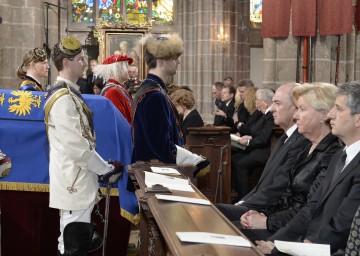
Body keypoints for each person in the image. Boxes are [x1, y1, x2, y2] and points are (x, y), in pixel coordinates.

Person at [256, 81, 360, 255]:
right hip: (307, 241)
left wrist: (288, 249)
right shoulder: (339, 156)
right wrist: (276, 242)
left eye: (339, 109)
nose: (331, 115)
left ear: (358, 119)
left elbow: (342, 226)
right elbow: (311, 207)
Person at [43, 36, 123, 256]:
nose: (84, 63)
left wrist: (102, 166)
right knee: (73, 247)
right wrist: (105, 169)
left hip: (77, 179)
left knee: (74, 244)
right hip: (74, 181)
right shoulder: (62, 99)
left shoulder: (70, 95)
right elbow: (77, 148)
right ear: (67, 63)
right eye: (80, 59)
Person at [239, 83, 341, 241]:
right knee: (230, 228)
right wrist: (264, 214)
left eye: (302, 109)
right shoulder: (305, 147)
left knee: (234, 234)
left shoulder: (332, 153)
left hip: (297, 233)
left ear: (324, 115)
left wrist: (268, 222)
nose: (296, 116)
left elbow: (310, 208)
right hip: (282, 222)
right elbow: (286, 194)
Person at [217, 83, 309, 222]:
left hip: (270, 213)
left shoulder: (301, 141)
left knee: (215, 214)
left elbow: (279, 186)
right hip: (259, 206)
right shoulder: (285, 138)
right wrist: (242, 203)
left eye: (277, 103)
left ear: (295, 109)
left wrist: (250, 210)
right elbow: (263, 184)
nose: (271, 109)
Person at [132, 33, 210, 178]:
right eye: (175, 58)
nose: (178, 62)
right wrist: (193, 160)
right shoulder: (154, 95)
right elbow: (160, 145)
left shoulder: (153, 89)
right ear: (161, 61)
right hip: (157, 174)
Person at [231, 88, 275, 198]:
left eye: (257, 100)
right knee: (234, 159)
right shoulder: (264, 114)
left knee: (241, 164)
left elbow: (263, 139)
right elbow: (256, 131)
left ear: (265, 102)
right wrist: (248, 136)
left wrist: (249, 140)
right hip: (257, 148)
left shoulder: (270, 115)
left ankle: (244, 197)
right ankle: (238, 192)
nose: (255, 103)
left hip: (264, 150)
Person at [93, 54, 133, 124]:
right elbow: (120, 122)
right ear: (117, 69)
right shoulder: (113, 91)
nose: (129, 70)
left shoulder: (116, 88)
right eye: (126, 66)